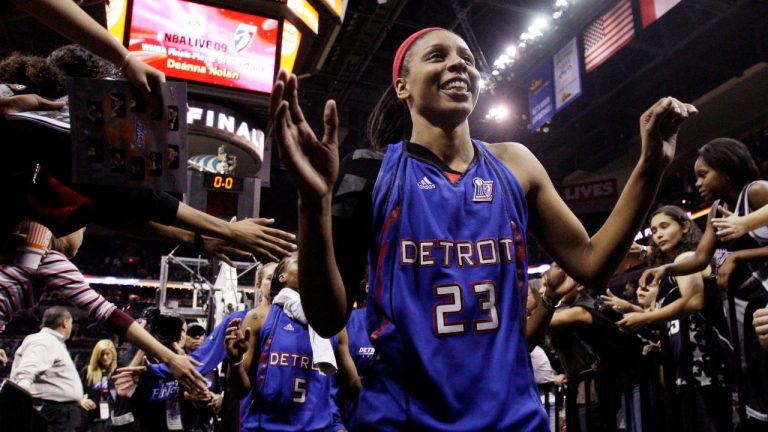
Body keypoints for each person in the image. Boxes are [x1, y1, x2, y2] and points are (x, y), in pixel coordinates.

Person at [270, 26, 696, 430]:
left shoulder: (515, 162)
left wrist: (651, 165)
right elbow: (326, 319)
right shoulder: (370, 170)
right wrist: (313, 203)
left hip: (514, 418)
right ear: (402, 86)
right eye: (438, 56)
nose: (459, 65)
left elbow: (592, 263)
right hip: (404, 420)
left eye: (467, 59)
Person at [640, 138, 768, 428]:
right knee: (754, 386)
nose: (696, 183)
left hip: (763, 296)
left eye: (703, 174)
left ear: (726, 169)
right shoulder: (716, 209)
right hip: (743, 307)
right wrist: (666, 268)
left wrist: (741, 248)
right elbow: (699, 257)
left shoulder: (756, 192)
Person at [0, 225, 209, 393]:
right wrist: (170, 358)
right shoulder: (51, 259)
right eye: (82, 230)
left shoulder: (33, 254)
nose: (83, 238)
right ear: (65, 229)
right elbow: (108, 313)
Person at [621, 205, 733, 432]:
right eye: (654, 230)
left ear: (684, 227)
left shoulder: (687, 257)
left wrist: (646, 318)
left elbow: (694, 301)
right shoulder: (671, 267)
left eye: (665, 226)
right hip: (686, 370)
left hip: (703, 367)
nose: (658, 234)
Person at [225, 255, 360, 431]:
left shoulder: (334, 325)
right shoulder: (259, 318)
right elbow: (239, 391)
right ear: (282, 277)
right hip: (266, 428)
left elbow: (352, 386)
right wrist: (235, 362)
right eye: (299, 261)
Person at [10, 306, 83, 431]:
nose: (72, 327)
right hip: (55, 412)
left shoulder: (51, 341)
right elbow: (26, 371)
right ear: (65, 323)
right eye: (71, 323)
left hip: (59, 412)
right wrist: (20, 402)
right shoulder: (44, 340)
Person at [78, 339, 118, 432]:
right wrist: (81, 400)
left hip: (112, 421)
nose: (104, 357)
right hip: (91, 420)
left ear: (113, 354)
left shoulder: (118, 372)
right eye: (101, 354)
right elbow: (74, 392)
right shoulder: (89, 371)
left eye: (107, 354)